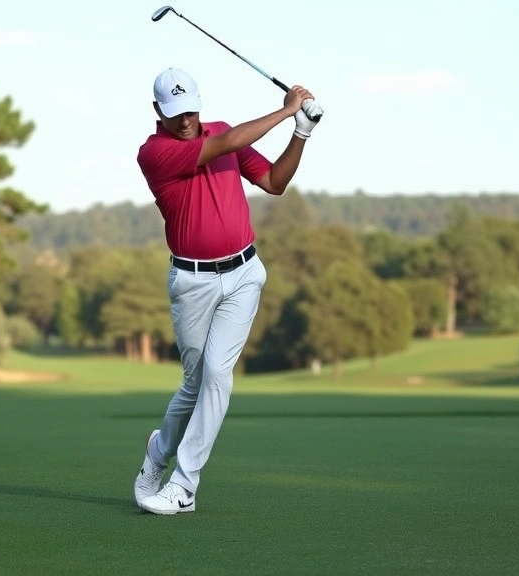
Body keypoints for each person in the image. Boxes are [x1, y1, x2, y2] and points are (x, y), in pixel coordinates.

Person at [132, 67, 324, 515]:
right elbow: (227, 143)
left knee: (218, 375)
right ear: (158, 110)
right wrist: (286, 109)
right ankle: (159, 450)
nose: (186, 121)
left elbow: (274, 182)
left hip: (244, 274)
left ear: (200, 103)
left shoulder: (221, 132)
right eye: (176, 113)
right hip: (192, 282)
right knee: (195, 383)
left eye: (191, 111)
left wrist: (300, 132)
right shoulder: (155, 153)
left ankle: (183, 486)